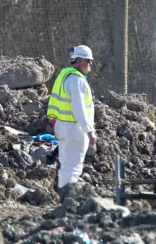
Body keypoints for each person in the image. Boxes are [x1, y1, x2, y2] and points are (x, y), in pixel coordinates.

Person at [46, 45, 97, 197]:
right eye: (88, 61)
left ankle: (65, 199)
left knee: (66, 167)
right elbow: (79, 110)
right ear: (80, 61)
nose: (90, 65)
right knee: (73, 168)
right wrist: (89, 131)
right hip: (74, 129)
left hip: (63, 126)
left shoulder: (65, 76)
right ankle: (68, 201)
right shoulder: (78, 81)